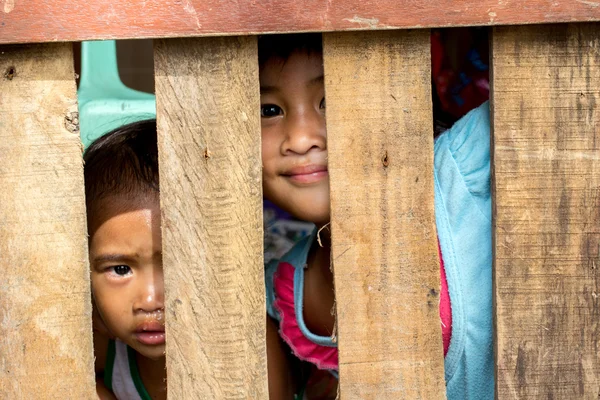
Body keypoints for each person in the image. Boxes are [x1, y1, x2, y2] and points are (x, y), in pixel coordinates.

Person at [260, 33, 494, 400]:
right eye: (269, 110)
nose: (301, 140)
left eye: (330, 99)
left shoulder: (458, 169)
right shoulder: (288, 289)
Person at [85, 120, 295, 400]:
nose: (150, 301)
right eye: (120, 269)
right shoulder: (102, 344)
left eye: (175, 265)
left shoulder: (250, 342)